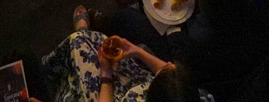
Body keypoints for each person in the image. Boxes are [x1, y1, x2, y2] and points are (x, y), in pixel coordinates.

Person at [105, 0, 269, 96]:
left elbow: (181, 64)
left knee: (124, 18)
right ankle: (137, 7)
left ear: (204, 3)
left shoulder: (200, 35)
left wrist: (173, 27)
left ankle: (128, 11)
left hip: (207, 76)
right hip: (249, 53)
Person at [39, 17, 212, 102]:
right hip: (138, 82)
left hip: (114, 95)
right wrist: (136, 51)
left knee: (77, 41)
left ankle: (49, 74)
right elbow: (170, 74)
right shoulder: (204, 98)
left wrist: (106, 75)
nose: (167, 65)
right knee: (93, 43)